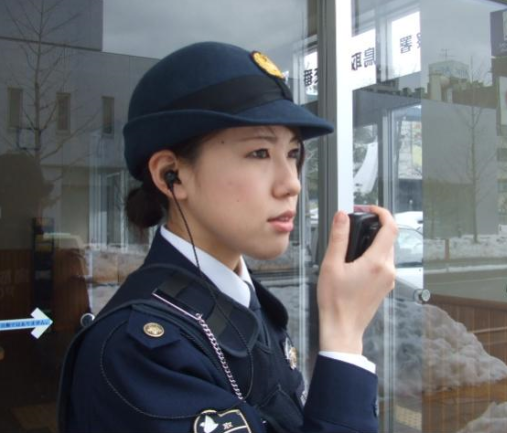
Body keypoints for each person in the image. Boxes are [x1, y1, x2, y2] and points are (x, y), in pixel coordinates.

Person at [57, 41, 397, 433]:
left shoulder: (242, 304)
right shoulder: (137, 352)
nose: (292, 184)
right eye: (259, 153)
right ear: (172, 175)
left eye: (293, 154)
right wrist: (344, 333)